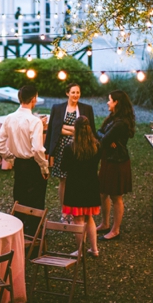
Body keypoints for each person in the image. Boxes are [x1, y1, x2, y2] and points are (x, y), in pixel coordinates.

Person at [0, 84, 49, 234]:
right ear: (34, 99)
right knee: (36, 200)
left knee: (20, 196)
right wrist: (44, 167)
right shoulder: (34, 121)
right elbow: (38, 149)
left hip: (19, 164)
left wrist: (11, 157)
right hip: (33, 165)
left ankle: (19, 231)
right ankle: (34, 234)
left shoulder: (9, 118)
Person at [44, 83, 96, 221]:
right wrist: (48, 151)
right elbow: (54, 129)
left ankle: (78, 209)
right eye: (73, 92)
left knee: (77, 180)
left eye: (78, 92)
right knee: (63, 180)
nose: (75, 95)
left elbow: (90, 129)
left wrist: (64, 128)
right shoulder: (58, 108)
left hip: (81, 148)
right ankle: (64, 211)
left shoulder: (86, 108)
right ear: (67, 93)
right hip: (62, 148)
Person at [96, 90, 135, 241]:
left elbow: (104, 140)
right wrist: (104, 137)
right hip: (108, 159)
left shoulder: (121, 123)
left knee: (115, 196)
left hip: (117, 161)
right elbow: (99, 133)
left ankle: (115, 230)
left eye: (110, 100)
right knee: (102, 193)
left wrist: (105, 138)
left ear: (117, 102)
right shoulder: (114, 118)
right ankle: (105, 223)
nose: (108, 102)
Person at [60, 115, 101, 257]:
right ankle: (94, 249)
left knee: (78, 220)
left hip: (75, 188)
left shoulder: (70, 148)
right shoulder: (96, 146)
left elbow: (63, 167)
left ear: (75, 130)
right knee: (89, 218)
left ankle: (80, 251)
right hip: (91, 186)